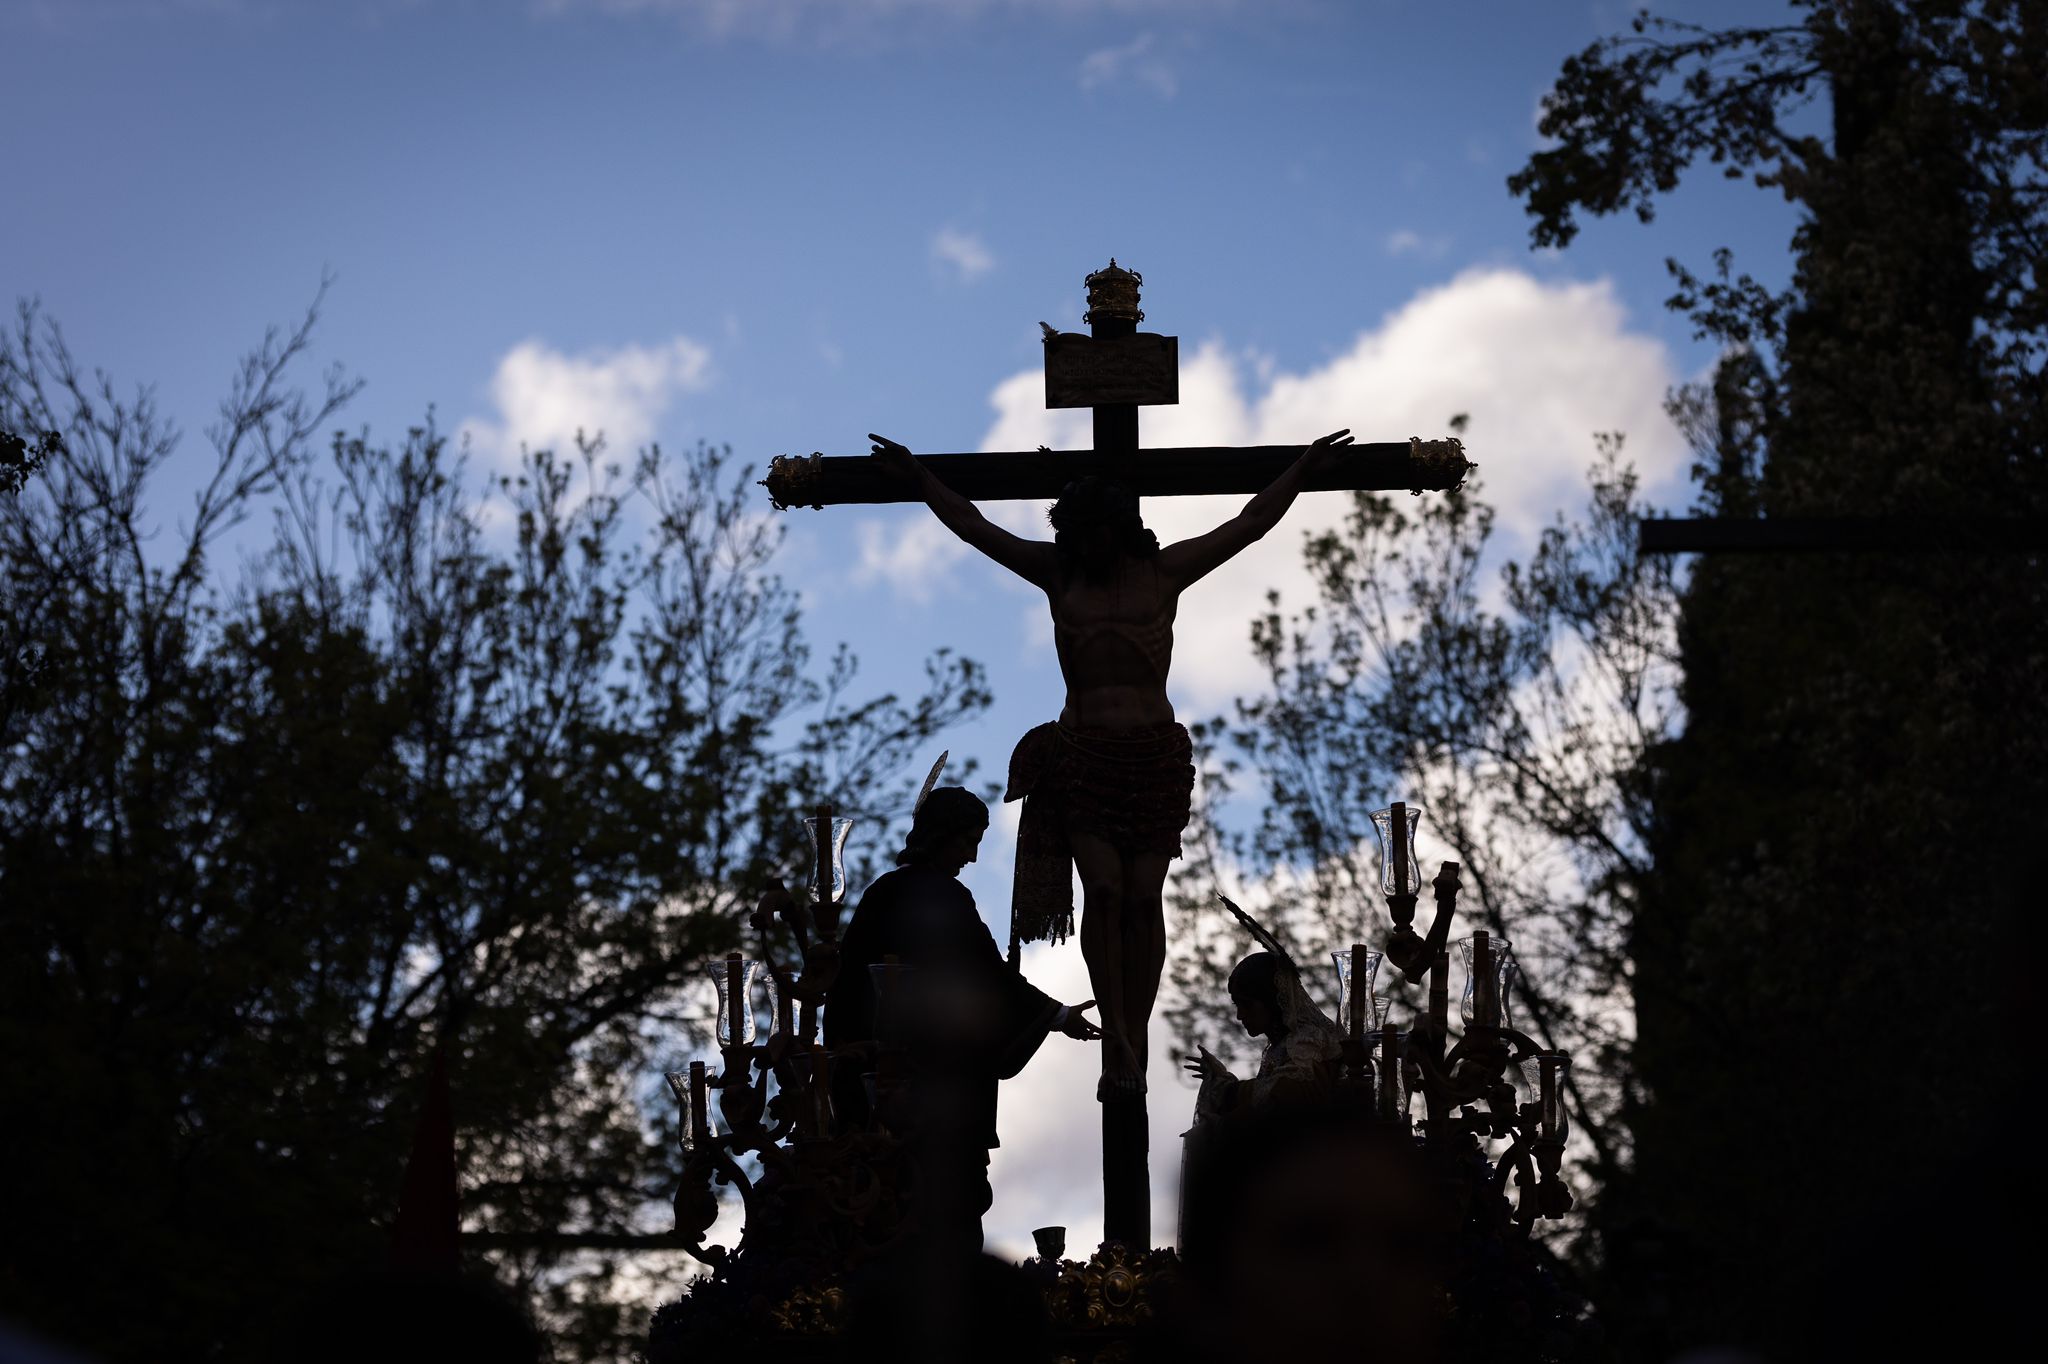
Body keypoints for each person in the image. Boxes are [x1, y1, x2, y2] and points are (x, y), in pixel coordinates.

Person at [868, 430, 1356, 1101]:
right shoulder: (1057, 573)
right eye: (1072, 534)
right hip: (1085, 751)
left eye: (1091, 532)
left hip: (1152, 755)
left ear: (1118, 529)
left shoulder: (1164, 572)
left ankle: (1137, 1026)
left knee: (1142, 896)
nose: (1082, 546)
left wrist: (1302, 470)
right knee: (1104, 890)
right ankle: (1118, 1038)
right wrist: (919, 475)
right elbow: (975, 526)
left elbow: (1248, 523)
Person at [823, 786, 1099, 1250]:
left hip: (868, 1086)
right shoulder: (944, 897)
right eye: (969, 841)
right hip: (933, 1093)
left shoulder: (882, 893)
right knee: (941, 1213)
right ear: (943, 835)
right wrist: (1057, 1014)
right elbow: (989, 977)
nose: (972, 857)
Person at [1183, 951, 1344, 1124]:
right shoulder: (1276, 1049)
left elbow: (1286, 1094)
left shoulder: (1308, 1039)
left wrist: (1229, 1090)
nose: (1239, 1015)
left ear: (1271, 1000)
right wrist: (1221, 1079)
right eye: (1237, 1005)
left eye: (1247, 1004)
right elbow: (1265, 1105)